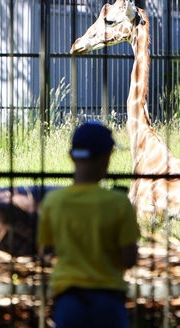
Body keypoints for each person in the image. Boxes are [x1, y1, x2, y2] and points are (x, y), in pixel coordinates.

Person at [37, 121, 140, 328]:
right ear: (107, 158)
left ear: (72, 156)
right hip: (108, 301)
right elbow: (129, 259)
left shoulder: (54, 202)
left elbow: (45, 248)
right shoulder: (119, 203)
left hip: (69, 300)